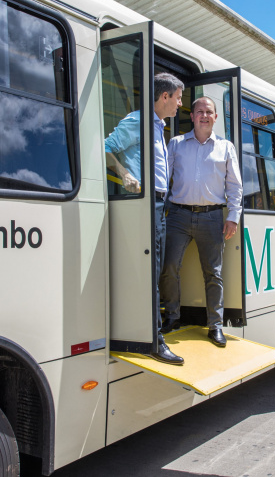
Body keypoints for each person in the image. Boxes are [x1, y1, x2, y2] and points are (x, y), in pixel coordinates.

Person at [104, 72, 184, 365]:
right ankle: (154, 340)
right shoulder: (138, 121)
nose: (179, 105)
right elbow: (105, 149)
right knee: (150, 271)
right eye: (177, 99)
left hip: (161, 206)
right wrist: (124, 173)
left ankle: (150, 332)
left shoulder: (158, 127)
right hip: (145, 204)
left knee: (157, 268)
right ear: (164, 96)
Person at [160, 96, 242, 348]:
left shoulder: (226, 147)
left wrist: (232, 217)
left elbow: (235, 186)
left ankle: (215, 326)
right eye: (199, 112)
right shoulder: (176, 144)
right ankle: (172, 317)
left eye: (209, 112)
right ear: (192, 116)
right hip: (178, 215)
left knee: (213, 274)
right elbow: (163, 179)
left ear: (215, 117)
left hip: (212, 217)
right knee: (170, 267)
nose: (204, 116)